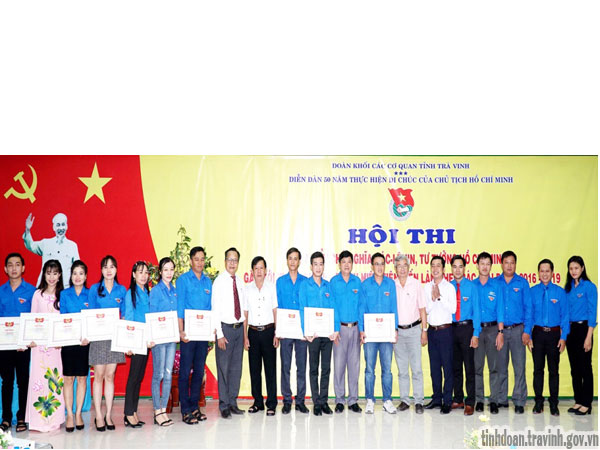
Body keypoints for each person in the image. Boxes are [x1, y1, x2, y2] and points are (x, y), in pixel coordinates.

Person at [24, 259, 65, 432]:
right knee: (38, 382)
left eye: (55, 273)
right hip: (39, 348)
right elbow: (32, 319)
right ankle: (37, 421)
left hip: (56, 348)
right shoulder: (37, 295)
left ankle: (54, 419)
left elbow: (65, 323)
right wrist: (31, 339)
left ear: (60, 275)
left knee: (54, 381)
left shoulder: (63, 295)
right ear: (44, 274)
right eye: (48, 273)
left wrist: (61, 340)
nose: (52, 277)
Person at [88, 255, 126, 431]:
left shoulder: (121, 290)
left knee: (110, 376)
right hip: (98, 338)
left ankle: (108, 415)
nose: (109, 270)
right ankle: (98, 416)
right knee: (99, 376)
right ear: (101, 270)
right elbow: (90, 315)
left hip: (115, 338)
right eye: (105, 267)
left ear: (116, 269)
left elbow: (124, 315)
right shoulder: (94, 289)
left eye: (112, 267)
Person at [0, 253, 36, 433]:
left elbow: (35, 319)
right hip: (5, 346)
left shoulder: (32, 291)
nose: (14, 268)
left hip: (23, 346)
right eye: (10, 265)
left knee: (23, 381)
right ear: (5, 269)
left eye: (17, 264)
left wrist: (30, 339)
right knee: (7, 381)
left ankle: (22, 416)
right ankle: (6, 418)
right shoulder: (1, 291)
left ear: (23, 268)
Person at [299, 251, 338, 416]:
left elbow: (334, 308)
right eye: (315, 264)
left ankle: (324, 401)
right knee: (314, 368)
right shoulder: (304, 285)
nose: (318, 267)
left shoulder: (328, 286)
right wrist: (305, 331)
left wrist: (336, 329)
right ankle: (316, 402)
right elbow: (302, 309)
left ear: (323, 266)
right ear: (311, 266)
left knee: (326, 368)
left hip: (328, 335)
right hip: (313, 335)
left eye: (321, 264)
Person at [177, 247, 213, 424]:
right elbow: (180, 307)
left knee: (199, 371)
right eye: (196, 259)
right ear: (191, 261)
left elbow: (210, 309)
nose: (200, 262)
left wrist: (211, 330)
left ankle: (194, 407)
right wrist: (180, 331)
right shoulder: (183, 280)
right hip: (188, 334)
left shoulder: (208, 282)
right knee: (185, 371)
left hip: (203, 334)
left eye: (202, 259)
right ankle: (185, 410)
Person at [359, 252, 398, 415]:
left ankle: (387, 400)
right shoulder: (365, 285)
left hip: (387, 334)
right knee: (369, 369)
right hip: (370, 335)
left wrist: (395, 329)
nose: (379, 267)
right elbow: (361, 308)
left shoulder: (390, 284)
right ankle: (370, 400)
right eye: (376, 264)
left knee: (387, 369)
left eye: (382, 263)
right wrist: (361, 329)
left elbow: (394, 307)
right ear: (372, 266)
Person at [529, 259, 569, 416]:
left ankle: (554, 404)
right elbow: (529, 316)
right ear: (538, 273)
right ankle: (538, 402)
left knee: (554, 371)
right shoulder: (532, 292)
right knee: (538, 370)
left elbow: (565, 317)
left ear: (552, 273)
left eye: (547, 271)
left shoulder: (560, 292)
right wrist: (529, 336)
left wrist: (563, 337)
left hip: (554, 335)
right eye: (542, 271)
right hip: (537, 334)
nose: (544, 274)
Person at [496, 250, 532, 414]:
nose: (509, 266)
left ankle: (519, 400)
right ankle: (501, 399)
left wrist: (527, 331)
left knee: (519, 367)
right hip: (501, 331)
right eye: (506, 262)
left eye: (512, 262)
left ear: (515, 264)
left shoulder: (522, 283)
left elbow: (528, 308)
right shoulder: (496, 283)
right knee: (501, 367)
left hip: (518, 330)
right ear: (501, 264)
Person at [213, 248, 246, 419]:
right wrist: (219, 334)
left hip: (239, 329)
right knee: (223, 368)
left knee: (236, 368)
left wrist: (245, 334)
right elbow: (215, 309)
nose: (232, 263)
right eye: (229, 259)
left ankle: (233, 402)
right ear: (225, 261)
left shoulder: (239, 282)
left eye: (235, 260)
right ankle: (224, 404)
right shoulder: (219, 282)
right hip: (225, 329)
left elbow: (244, 309)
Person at [243, 256, 278, 416]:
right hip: (253, 332)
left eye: (261, 268)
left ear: (266, 271)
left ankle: (271, 403)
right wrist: (245, 337)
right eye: (256, 268)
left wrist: (277, 333)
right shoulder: (247, 289)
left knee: (270, 369)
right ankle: (257, 402)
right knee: (254, 369)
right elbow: (245, 314)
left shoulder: (271, 287)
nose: (258, 271)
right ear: (252, 271)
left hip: (269, 331)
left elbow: (275, 311)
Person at [59, 261, 91, 432]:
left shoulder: (90, 294)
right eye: (75, 273)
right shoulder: (64, 294)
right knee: (69, 379)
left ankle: (78, 413)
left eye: (81, 273)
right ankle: (69, 415)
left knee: (82, 378)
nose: (77, 277)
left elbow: (93, 319)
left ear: (85, 276)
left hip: (84, 344)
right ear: (71, 276)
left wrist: (88, 337)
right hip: (68, 343)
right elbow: (63, 318)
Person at [276, 247, 309, 414]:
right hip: (285, 331)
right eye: (290, 258)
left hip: (302, 332)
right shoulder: (280, 282)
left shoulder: (306, 282)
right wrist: (278, 331)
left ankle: (301, 400)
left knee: (301, 366)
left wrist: (308, 328)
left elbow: (308, 307)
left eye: (296, 258)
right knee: (285, 366)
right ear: (287, 261)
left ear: (299, 261)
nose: (293, 261)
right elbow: (277, 306)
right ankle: (287, 400)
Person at [393, 254, 427, 414]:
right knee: (402, 370)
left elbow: (422, 309)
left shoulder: (416, 284)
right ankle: (405, 400)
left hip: (414, 330)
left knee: (417, 368)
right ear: (395, 268)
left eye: (404, 265)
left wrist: (424, 331)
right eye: (399, 266)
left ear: (409, 267)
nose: (402, 269)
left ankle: (419, 401)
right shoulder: (392, 285)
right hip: (398, 332)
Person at [564, 256, 597, 416]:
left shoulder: (589, 287)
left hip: (584, 329)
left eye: (576, 268)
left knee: (585, 368)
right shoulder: (568, 288)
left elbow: (592, 312)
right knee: (574, 368)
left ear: (582, 268)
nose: (574, 271)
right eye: (571, 268)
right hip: (571, 331)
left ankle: (586, 403)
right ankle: (578, 400)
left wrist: (589, 336)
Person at [330, 250, 362, 413]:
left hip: (355, 328)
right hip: (340, 330)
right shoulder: (333, 282)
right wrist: (335, 329)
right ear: (339, 264)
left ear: (352, 264)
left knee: (354, 366)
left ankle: (353, 400)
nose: (346, 265)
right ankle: (340, 400)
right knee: (339, 366)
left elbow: (361, 306)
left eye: (349, 261)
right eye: (344, 262)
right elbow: (332, 307)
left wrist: (362, 330)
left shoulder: (357, 282)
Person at [472, 252, 504, 414]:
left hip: (492, 330)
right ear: (477, 266)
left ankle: (494, 400)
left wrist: (500, 332)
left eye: (487, 264)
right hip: (477, 330)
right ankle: (479, 400)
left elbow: (500, 310)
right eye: (482, 263)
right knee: (477, 367)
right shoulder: (472, 286)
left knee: (494, 367)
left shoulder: (496, 286)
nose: (484, 267)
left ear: (491, 266)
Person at [423, 255, 456, 414]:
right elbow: (426, 310)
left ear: (443, 269)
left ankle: (447, 401)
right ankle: (436, 398)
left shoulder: (449, 287)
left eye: (438, 266)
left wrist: (439, 297)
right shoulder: (426, 287)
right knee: (434, 367)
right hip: (432, 331)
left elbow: (453, 309)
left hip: (446, 331)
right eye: (433, 266)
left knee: (447, 367)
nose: (435, 269)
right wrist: (432, 298)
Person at [123, 261, 153, 428]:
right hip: (136, 340)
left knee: (139, 377)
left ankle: (133, 411)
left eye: (146, 272)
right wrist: (129, 343)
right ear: (134, 275)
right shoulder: (130, 294)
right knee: (133, 377)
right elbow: (128, 318)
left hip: (147, 340)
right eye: (140, 272)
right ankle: (128, 413)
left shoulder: (147, 293)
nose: (143, 275)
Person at [449, 255, 480, 416]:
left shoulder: (471, 287)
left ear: (464, 268)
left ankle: (470, 402)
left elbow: (477, 312)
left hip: (467, 328)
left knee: (469, 367)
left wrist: (476, 334)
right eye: (454, 267)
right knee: (455, 367)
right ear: (451, 269)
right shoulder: (448, 287)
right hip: (452, 329)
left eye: (460, 266)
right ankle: (458, 398)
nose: (457, 270)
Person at [149, 257, 178, 427]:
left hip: (171, 339)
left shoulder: (174, 291)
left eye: (171, 269)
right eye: (165, 269)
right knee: (158, 374)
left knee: (168, 375)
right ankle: (156, 410)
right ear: (160, 272)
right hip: (159, 340)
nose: (169, 273)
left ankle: (164, 410)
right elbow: (152, 315)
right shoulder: (155, 291)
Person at [23, 213, 79, 288]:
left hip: (65, 288)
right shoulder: (46, 243)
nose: (61, 228)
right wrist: (27, 230)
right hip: (45, 287)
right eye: (58, 225)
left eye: (63, 224)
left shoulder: (72, 246)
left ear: (66, 226)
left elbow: (77, 268)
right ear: (53, 227)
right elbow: (30, 246)